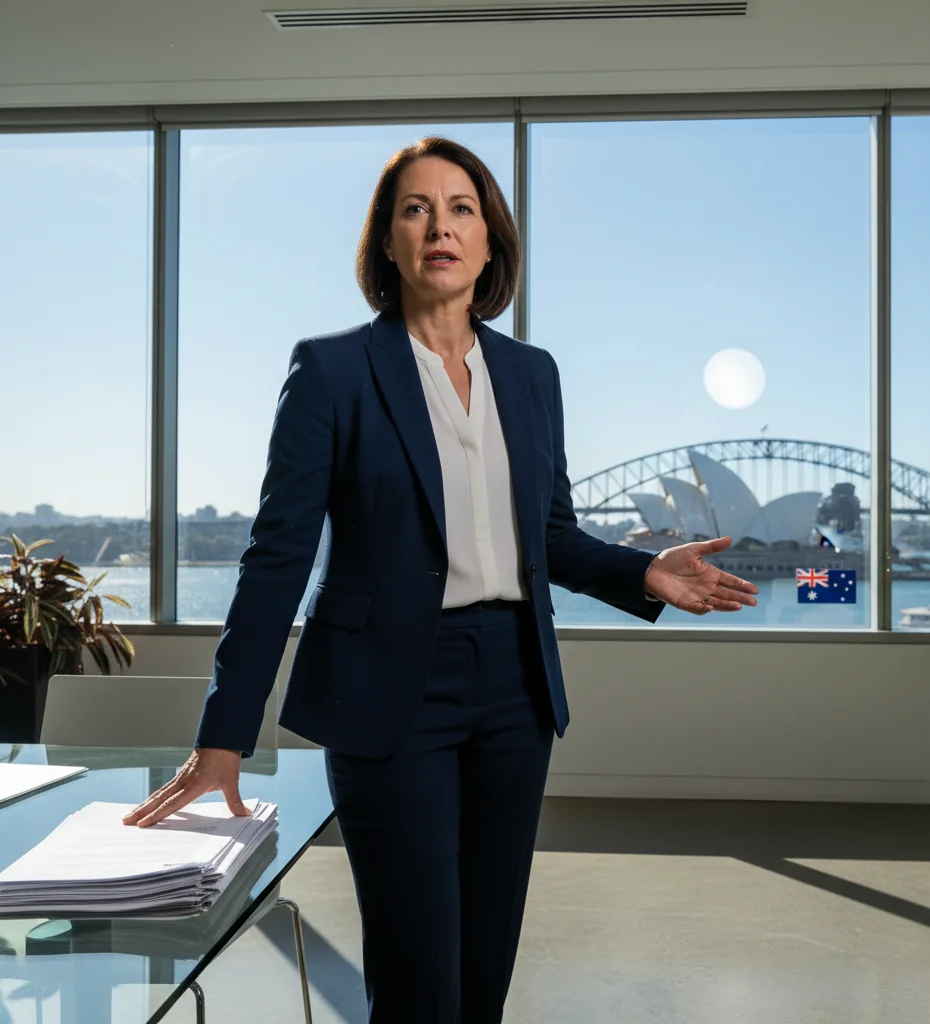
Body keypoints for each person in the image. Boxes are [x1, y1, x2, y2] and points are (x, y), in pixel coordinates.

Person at [124, 136, 758, 1023]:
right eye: (415, 210)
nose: (439, 228)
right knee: (419, 980)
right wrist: (224, 734)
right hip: (390, 688)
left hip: (515, 687)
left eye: (462, 209)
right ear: (387, 242)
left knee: (482, 973)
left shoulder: (532, 376)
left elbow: (548, 536)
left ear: (490, 241)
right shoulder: (332, 371)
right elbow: (277, 558)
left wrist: (644, 571)